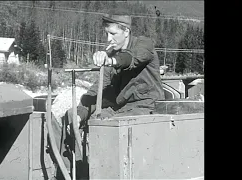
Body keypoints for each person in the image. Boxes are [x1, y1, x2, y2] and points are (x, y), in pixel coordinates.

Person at [56, 11, 165, 179]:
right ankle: (74, 173)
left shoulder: (143, 44)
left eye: (113, 34)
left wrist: (111, 60)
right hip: (121, 110)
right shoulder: (110, 56)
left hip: (148, 108)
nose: (108, 39)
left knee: (109, 125)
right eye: (106, 34)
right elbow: (95, 94)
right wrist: (78, 114)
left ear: (126, 31)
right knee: (73, 116)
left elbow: (131, 59)